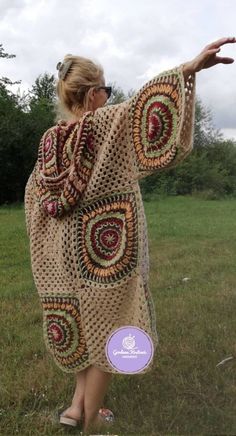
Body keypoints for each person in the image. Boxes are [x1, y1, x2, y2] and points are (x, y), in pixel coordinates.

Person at [24, 37, 235, 435]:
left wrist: (51, 246)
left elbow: (35, 199)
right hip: (106, 255)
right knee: (111, 329)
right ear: (90, 95)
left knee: (84, 329)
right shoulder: (104, 124)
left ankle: (75, 407)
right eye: (105, 89)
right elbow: (145, 108)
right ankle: (88, 423)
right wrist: (188, 69)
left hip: (64, 259)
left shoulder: (50, 142)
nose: (109, 95)